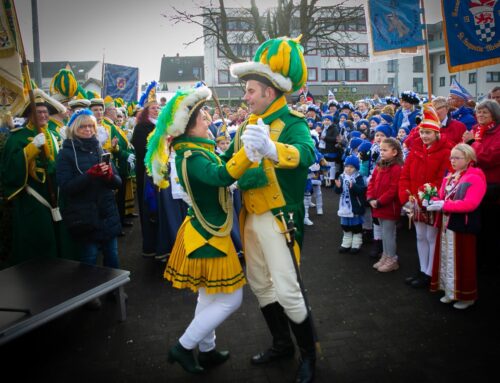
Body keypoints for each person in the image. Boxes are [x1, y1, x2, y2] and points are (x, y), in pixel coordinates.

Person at [144, 84, 256, 374]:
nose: (209, 119)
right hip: (208, 237)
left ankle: (206, 351)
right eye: (203, 117)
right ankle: (183, 346)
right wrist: (250, 153)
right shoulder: (191, 158)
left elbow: (223, 159)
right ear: (189, 128)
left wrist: (243, 134)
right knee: (232, 298)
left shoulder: (196, 150)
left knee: (208, 297)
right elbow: (221, 174)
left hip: (205, 231)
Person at [228, 36, 317, 383]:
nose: (246, 96)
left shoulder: (294, 123)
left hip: (280, 220)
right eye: (247, 90)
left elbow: (306, 156)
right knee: (261, 284)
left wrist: (272, 149)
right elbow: (229, 165)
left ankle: (309, 355)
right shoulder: (246, 126)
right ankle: (282, 344)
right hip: (250, 218)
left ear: (269, 92)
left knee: (288, 289)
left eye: (251, 90)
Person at [0, 89, 76, 266]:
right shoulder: (17, 138)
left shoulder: (54, 133)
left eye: (46, 112)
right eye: (39, 112)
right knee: (39, 238)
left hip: (56, 194)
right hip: (34, 199)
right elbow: (10, 168)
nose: (43, 115)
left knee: (59, 237)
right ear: (29, 114)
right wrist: (31, 149)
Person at [56, 109, 122, 309]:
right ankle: (89, 293)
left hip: (106, 210)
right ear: (74, 129)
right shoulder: (65, 153)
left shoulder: (100, 150)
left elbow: (117, 182)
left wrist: (109, 176)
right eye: (83, 126)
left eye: (91, 126)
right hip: (83, 213)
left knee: (112, 254)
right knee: (89, 256)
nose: (87, 130)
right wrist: (90, 175)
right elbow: (66, 187)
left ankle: (115, 289)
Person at [399, 104, 452, 289]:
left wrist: (425, 197)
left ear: (437, 133)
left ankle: (430, 273)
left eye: (428, 132)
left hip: (431, 202)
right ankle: (423, 270)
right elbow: (405, 175)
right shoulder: (416, 150)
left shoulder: (446, 152)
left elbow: (443, 179)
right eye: (422, 132)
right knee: (420, 235)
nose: (424, 136)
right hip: (415, 201)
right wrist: (406, 197)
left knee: (431, 237)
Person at [428, 144, 486, 309]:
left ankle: (466, 296)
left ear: (468, 159)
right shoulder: (450, 176)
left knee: (463, 260)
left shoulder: (474, 177)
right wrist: (431, 200)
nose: (452, 161)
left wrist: (443, 205)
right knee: (447, 257)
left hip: (462, 226)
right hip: (447, 225)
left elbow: (470, 204)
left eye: (457, 158)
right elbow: (441, 197)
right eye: (451, 157)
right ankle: (450, 291)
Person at [462, 99, 500, 273]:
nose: (481, 115)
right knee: (476, 225)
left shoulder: (498, 132)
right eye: (479, 112)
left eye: (485, 112)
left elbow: (490, 158)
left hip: (492, 186)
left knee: (491, 227)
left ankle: (490, 263)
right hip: (474, 183)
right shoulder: (476, 130)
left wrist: (471, 144)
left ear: (494, 114)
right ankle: (479, 260)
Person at [130, 82, 163, 257]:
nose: (156, 110)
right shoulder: (141, 127)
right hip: (147, 173)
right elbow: (143, 150)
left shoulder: (160, 126)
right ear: (146, 111)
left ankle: (161, 242)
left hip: (161, 172)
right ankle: (150, 245)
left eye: (158, 107)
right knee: (149, 208)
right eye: (153, 108)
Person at [367, 138, 403, 272]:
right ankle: (386, 255)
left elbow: (393, 190)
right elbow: (371, 182)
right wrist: (370, 198)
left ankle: (392, 259)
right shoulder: (380, 165)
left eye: (385, 150)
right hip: (378, 205)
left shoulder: (397, 168)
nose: (381, 152)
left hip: (388, 207)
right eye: (380, 149)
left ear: (394, 152)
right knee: (384, 232)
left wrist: (379, 201)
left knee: (388, 234)